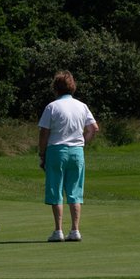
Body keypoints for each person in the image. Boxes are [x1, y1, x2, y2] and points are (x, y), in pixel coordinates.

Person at [37, 71, 98, 242]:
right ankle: (75, 230)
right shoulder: (82, 106)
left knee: (55, 190)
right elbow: (93, 128)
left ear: (56, 88)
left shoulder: (52, 107)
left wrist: (42, 154)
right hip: (77, 151)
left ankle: (58, 231)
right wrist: (83, 143)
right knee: (74, 191)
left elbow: (44, 133)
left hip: (56, 151)